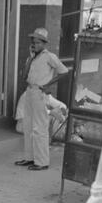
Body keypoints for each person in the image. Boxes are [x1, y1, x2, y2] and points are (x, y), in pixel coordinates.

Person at [15, 28, 69, 171]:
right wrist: (31, 57)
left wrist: (48, 84)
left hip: (40, 93)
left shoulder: (49, 56)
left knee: (40, 128)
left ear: (44, 43)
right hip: (29, 91)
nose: (34, 44)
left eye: (38, 42)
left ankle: (42, 162)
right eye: (33, 42)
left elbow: (64, 72)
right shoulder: (32, 57)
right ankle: (29, 158)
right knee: (28, 126)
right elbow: (24, 77)